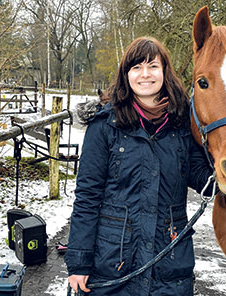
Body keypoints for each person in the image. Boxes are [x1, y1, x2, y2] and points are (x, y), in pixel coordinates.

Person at [65, 37, 214, 296]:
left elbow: (205, 180)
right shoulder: (105, 126)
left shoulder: (182, 124)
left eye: (153, 66)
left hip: (169, 264)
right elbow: (87, 197)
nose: (145, 74)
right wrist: (79, 262)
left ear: (165, 72)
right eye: (136, 67)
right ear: (126, 74)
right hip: (114, 262)